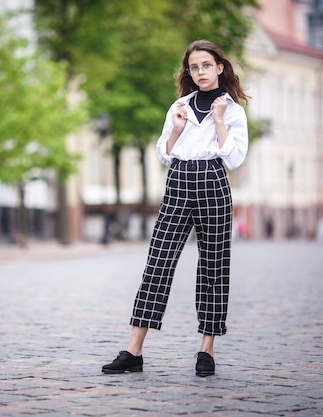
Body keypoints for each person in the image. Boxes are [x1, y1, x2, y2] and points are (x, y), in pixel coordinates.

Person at [101, 40, 249, 377]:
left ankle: (206, 350)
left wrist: (221, 121)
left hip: (213, 181)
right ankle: (133, 350)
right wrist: (178, 130)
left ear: (220, 68)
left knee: (213, 267)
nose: (200, 73)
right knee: (158, 263)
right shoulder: (179, 106)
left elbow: (235, 159)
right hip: (179, 179)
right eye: (194, 67)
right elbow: (164, 154)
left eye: (206, 66)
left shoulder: (233, 110)